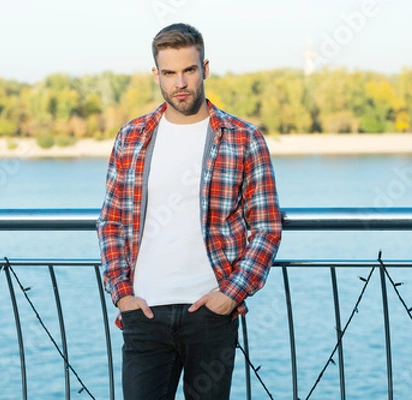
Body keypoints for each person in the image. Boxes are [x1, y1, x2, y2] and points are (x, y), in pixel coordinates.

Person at [97, 22, 282, 400]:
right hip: (144, 313)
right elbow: (111, 222)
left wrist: (231, 294)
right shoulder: (131, 136)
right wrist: (121, 295)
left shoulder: (243, 138)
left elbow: (266, 228)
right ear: (156, 75)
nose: (180, 83)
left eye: (189, 70)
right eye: (169, 73)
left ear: (205, 68)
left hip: (211, 314)